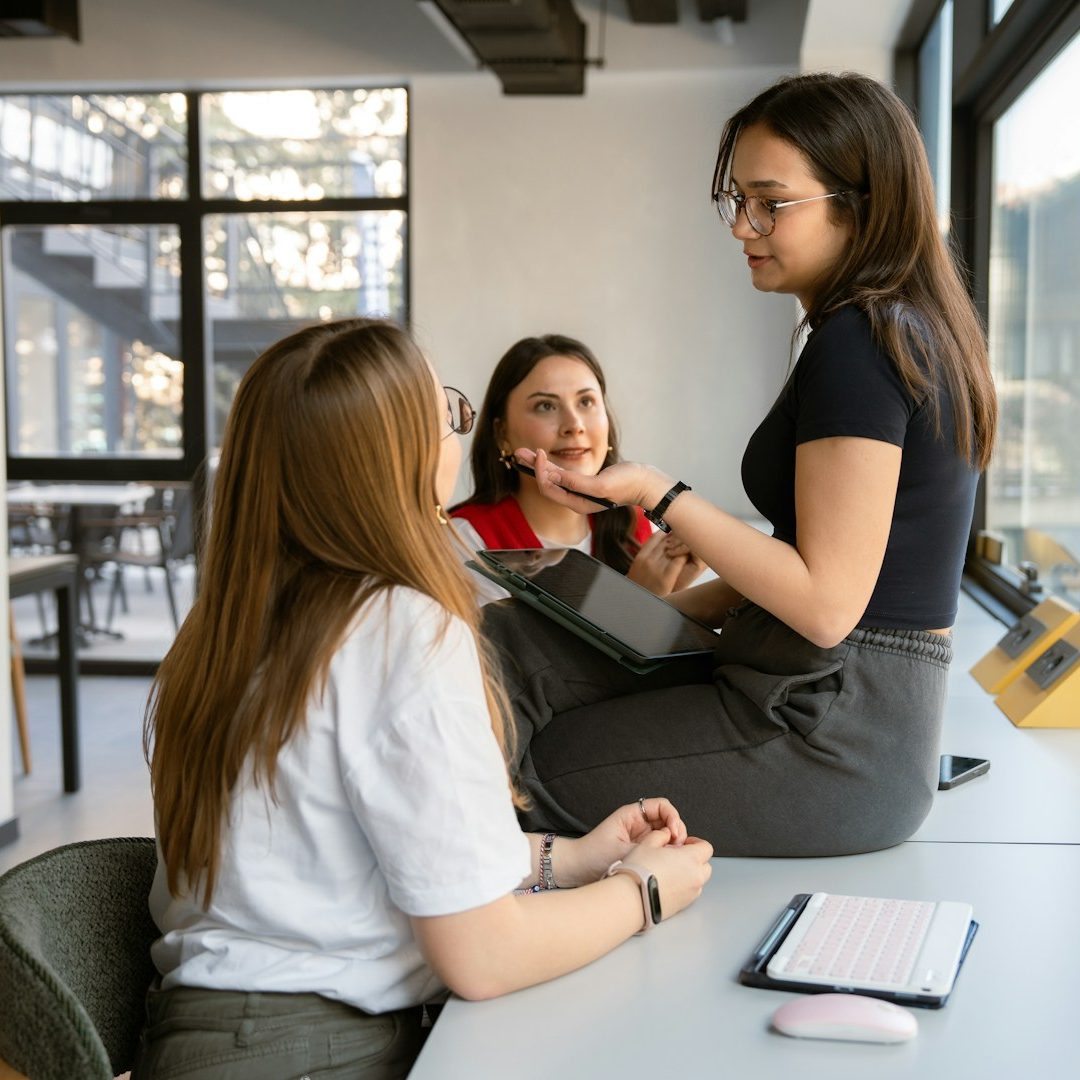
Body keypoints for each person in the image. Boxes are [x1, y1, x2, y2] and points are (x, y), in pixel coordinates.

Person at [133, 318, 712, 1080]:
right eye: (448, 412)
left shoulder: (221, 628)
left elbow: (349, 862)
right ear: (398, 456)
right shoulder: (399, 626)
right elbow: (483, 955)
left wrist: (572, 859)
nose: (456, 428)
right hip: (309, 1048)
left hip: (211, 1031)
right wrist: (645, 893)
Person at [484, 72, 998, 858]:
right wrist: (657, 614)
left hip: (833, 729)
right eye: (737, 202)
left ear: (858, 202)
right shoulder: (900, 327)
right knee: (521, 645)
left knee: (543, 756)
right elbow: (834, 568)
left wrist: (659, 491)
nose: (743, 226)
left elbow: (828, 604)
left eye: (770, 203)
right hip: (827, 696)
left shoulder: (860, 344)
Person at [450, 334, 704, 600]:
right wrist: (636, 602)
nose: (574, 424)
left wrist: (672, 597)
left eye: (586, 402)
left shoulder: (635, 522)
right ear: (501, 432)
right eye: (545, 406)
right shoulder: (465, 541)